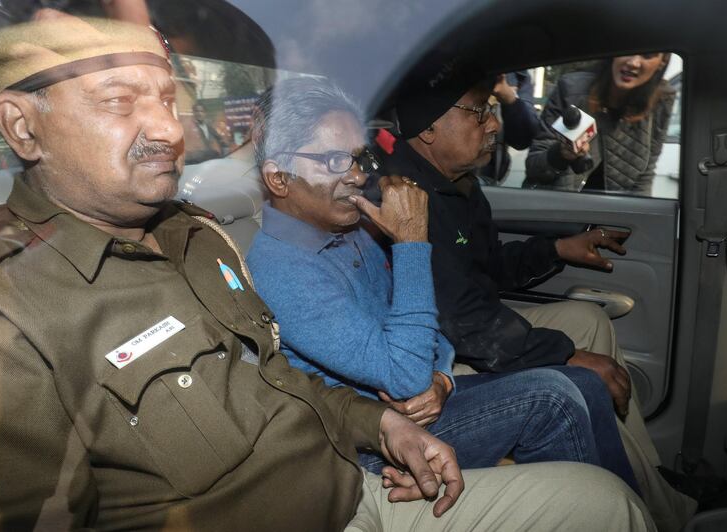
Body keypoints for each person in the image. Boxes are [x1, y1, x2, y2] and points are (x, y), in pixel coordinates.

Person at [0, 11, 654, 532]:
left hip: (352, 476)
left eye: (166, 100)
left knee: (605, 503)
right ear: (23, 127)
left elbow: (279, 378)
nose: (167, 129)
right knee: (566, 404)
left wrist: (382, 427)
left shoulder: (198, 241)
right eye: (120, 103)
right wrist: (406, 371)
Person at [246, 76, 639, 493]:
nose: (360, 177)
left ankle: (634, 506)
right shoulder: (283, 270)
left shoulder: (349, 233)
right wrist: (412, 242)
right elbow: (405, 377)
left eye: (360, 159)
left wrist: (443, 378)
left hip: (417, 402)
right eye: (338, 162)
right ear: (280, 179)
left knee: (584, 385)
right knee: (554, 398)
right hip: (371, 446)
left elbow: (429, 326)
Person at [378, 64, 695, 532]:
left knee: (590, 319)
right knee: (579, 370)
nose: (493, 124)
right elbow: (459, 318)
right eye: (477, 113)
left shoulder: (459, 182)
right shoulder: (404, 196)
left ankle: (654, 489)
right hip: (438, 352)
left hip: (471, 324)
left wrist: (558, 249)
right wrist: (565, 355)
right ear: (428, 129)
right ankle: (648, 510)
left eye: (490, 110)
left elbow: (488, 268)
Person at [524, 54, 675, 194]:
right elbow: (534, 167)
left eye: (647, 55)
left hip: (611, 217)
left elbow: (644, 177)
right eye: (628, 50)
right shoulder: (571, 89)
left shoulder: (661, 100)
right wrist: (560, 154)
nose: (633, 63)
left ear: (662, 62)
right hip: (558, 212)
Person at [478, 70, 541, 184]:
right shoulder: (449, 65)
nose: (494, 126)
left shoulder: (519, 76)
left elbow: (522, 140)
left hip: (488, 173)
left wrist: (510, 99)